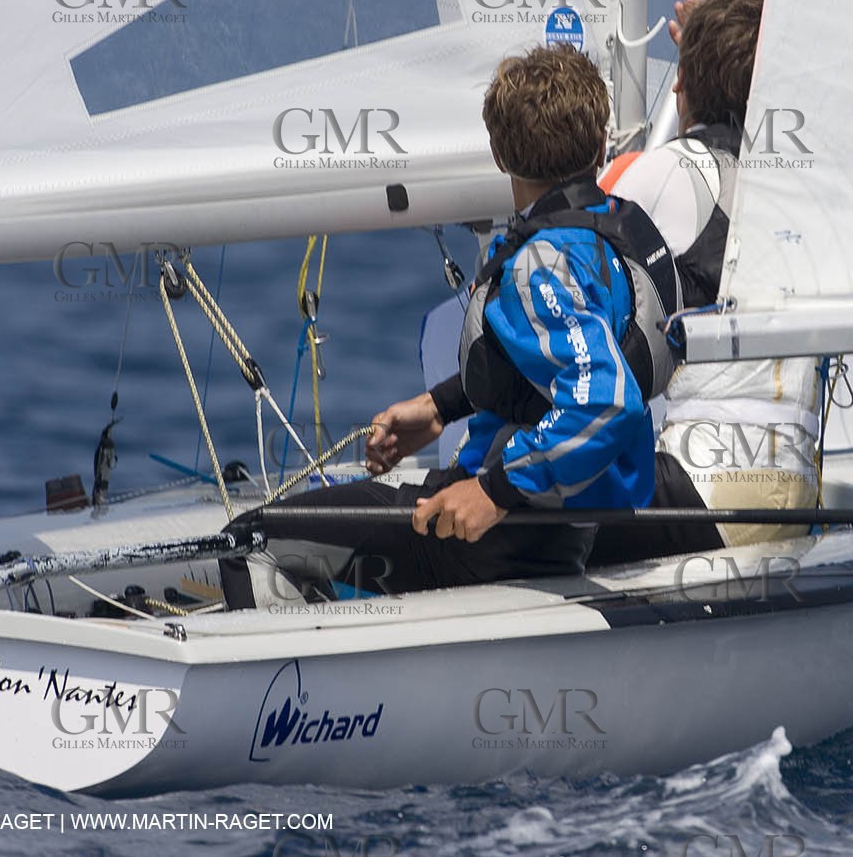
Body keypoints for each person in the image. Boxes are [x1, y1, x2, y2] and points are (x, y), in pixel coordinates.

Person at [219, 45, 679, 605]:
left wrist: (494, 491)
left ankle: (297, 691)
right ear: (602, 141)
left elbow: (605, 402)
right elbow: (548, 370)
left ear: (499, 153)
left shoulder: (541, 263)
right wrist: (441, 407)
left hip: (497, 538)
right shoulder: (606, 239)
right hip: (559, 529)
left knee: (250, 541)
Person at [589, 0, 822, 565]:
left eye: (680, 76)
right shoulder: (809, 179)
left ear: (688, 86)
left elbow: (567, 220)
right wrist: (716, 54)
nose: (672, 86)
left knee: (507, 499)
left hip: (708, 489)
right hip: (794, 489)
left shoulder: (661, 174)